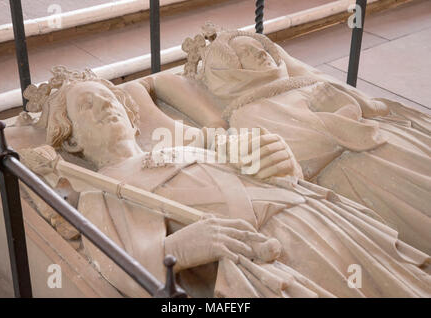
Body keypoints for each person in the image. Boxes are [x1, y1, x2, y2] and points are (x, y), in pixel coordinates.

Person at [23, 66, 430, 298]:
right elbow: (122, 264)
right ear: (71, 138)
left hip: (315, 219)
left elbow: (266, 170)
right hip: (270, 247)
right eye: (86, 106)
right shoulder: (103, 187)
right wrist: (179, 247)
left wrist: (281, 164)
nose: (104, 107)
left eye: (108, 99)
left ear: (132, 116)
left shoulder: (183, 146)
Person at [148, 26, 431, 255]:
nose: (261, 53)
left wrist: (357, 105)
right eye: (247, 52)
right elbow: (306, 153)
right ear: (231, 68)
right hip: (367, 170)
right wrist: (343, 111)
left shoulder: (303, 82)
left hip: (393, 142)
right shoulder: (251, 110)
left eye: (261, 47)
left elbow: (377, 108)